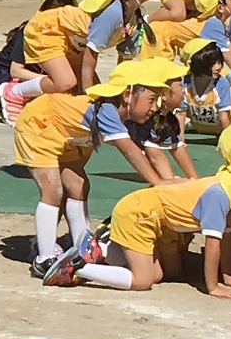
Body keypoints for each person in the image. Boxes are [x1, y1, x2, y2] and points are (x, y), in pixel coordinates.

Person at [49, 118, 231, 295]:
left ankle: (101, 250)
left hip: (149, 216)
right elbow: (214, 245)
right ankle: (75, 267)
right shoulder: (221, 196)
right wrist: (214, 287)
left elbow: (226, 240)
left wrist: (227, 275)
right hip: (139, 214)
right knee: (143, 281)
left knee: (159, 273)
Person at [15, 62, 171, 279]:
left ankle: (83, 246)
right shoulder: (107, 109)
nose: (154, 107)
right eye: (151, 100)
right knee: (53, 189)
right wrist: (158, 181)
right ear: (127, 95)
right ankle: (44, 257)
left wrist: (167, 179)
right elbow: (129, 150)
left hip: (68, 136)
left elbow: (151, 150)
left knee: (78, 185)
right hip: (39, 125)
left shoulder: (129, 116)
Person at [0, 0, 73, 119]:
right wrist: (52, 82)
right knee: (60, 85)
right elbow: (16, 71)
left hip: (37, 73)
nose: (58, 12)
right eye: (53, 7)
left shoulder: (72, 31)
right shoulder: (32, 31)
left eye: (65, 7)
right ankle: (10, 96)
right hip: (3, 75)